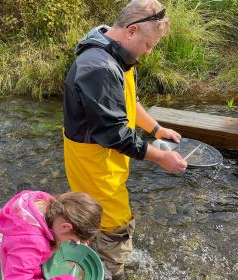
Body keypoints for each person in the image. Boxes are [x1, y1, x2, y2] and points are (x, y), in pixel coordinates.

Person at [63, 0, 188, 278]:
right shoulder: (99, 67)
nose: (149, 51)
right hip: (94, 162)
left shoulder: (117, 52)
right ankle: (109, 271)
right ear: (131, 31)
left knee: (91, 216)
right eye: (148, 44)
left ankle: (90, 255)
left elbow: (128, 103)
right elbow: (115, 135)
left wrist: (156, 129)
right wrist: (160, 157)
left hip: (105, 158)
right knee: (115, 223)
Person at [0, 190, 103, 280]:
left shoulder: (48, 206)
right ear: (65, 227)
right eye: (74, 240)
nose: (77, 243)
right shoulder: (30, 244)